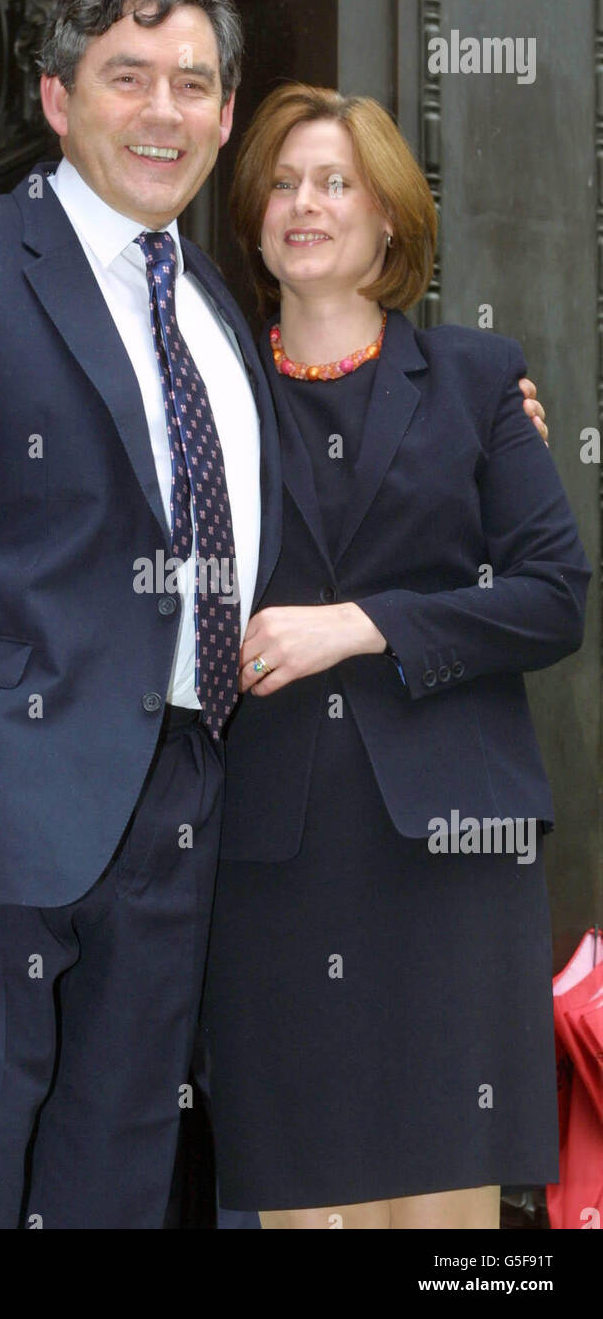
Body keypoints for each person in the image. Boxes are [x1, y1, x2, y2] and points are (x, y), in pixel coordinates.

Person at [0, 0, 548, 1229]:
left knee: (118, 1176)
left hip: (190, 813)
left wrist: (487, 424)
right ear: (55, 97)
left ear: (223, 110)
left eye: (191, 85)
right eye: (126, 78)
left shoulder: (213, 302)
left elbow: (325, 479)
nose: (162, 111)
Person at [202, 83, 590, 1230]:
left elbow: (552, 596)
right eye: (281, 181)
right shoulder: (203, 386)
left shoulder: (475, 378)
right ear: (253, 215)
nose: (305, 204)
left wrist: (361, 624)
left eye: (336, 183)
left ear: (389, 222)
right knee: (304, 1199)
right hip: (268, 851)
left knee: (440, 1205)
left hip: (446, 849)